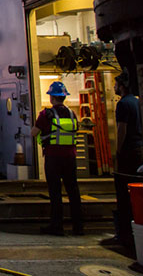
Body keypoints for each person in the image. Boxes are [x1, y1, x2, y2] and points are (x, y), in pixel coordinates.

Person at [31, 81, 83, 236]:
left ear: (52, 98)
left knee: (55, 193)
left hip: (53, 158)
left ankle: (57, 226)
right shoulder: (72, 113)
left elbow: (33, 133)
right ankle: (78, 227)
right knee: (73, 192)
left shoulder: (46, 114)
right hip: (70, 157)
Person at [111, 69, 143, 248]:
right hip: (140, 149)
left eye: (116, 84)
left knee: (123, 191)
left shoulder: (123, 104)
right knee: (137, 190)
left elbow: (121, 129)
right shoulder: (138, 103)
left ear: (122, 86)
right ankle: (136, 223)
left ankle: (125, 233)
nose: (114, 87)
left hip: (128, 151)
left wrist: (118, 151)